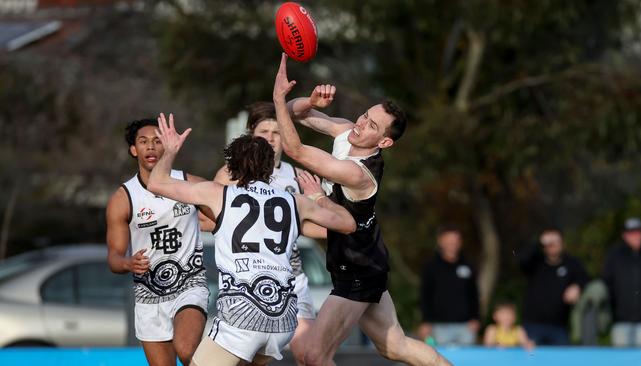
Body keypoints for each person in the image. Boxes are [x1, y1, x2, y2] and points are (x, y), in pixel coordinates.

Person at [272, 53, 451, 366]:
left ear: (384, 143)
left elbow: (294, 148)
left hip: (357, 271)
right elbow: (292, 114)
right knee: (395, 348)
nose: (360, 124)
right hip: (366, 262)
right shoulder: (346, 132)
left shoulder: (358, 174)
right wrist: (310, 101)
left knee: (314, 356)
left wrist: (277, 97)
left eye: (372, 126)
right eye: (364, 115)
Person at [147, 114, 356, 366]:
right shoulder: (296, 202)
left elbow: (156, 183)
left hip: (242, 317)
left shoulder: (218, 194)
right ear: (270, 168)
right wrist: (318, 196)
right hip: (283, 320)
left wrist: (170, 151)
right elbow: (348, 224)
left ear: (232, 167)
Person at [214, 101, 322, 365]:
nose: (272, 139)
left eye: (278, 133)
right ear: (252, 134)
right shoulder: (230, 175)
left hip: (291, 279)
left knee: (310, 355)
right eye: (264, 133)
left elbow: (319, 226)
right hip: (247, 281)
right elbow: (209, 220)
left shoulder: (298, 177)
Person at [106, 118, 212, 366]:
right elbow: (113, 257)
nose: (151, 147)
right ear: (134, 150)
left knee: (186, 351)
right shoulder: (123, 198)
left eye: (157, 140)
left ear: (167, 145)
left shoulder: (188, 182)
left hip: (189, 284)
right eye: (143, 142)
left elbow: (225, 212)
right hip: (149, 296)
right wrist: (128, 263)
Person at [518, 228, 590, 345]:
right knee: (532, 362)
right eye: (548, 242)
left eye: (555, 241)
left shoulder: (572, 263)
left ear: (562, 243)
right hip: (532, 325)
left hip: (560, 327)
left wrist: (578, 287)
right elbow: (522, 260)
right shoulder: (535, 262)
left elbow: (586, 279)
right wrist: (538, 242)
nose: (552, 245)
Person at [418, 226, 480, 345]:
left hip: (466, 326)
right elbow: (425, 295)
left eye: (455, 240)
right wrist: (426, 321)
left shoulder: (468, 265)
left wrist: (475, 318)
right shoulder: (431, 267)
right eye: (449, 240)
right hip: (439, 326)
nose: (452, 243)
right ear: (440, 241)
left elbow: (474, 294)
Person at [602, 217, 641, 347]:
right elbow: (605, 284)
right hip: (620, 322)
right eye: (631, 233)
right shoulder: (614, 256)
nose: (635, 236)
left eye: (638, 232)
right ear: (624, 235)